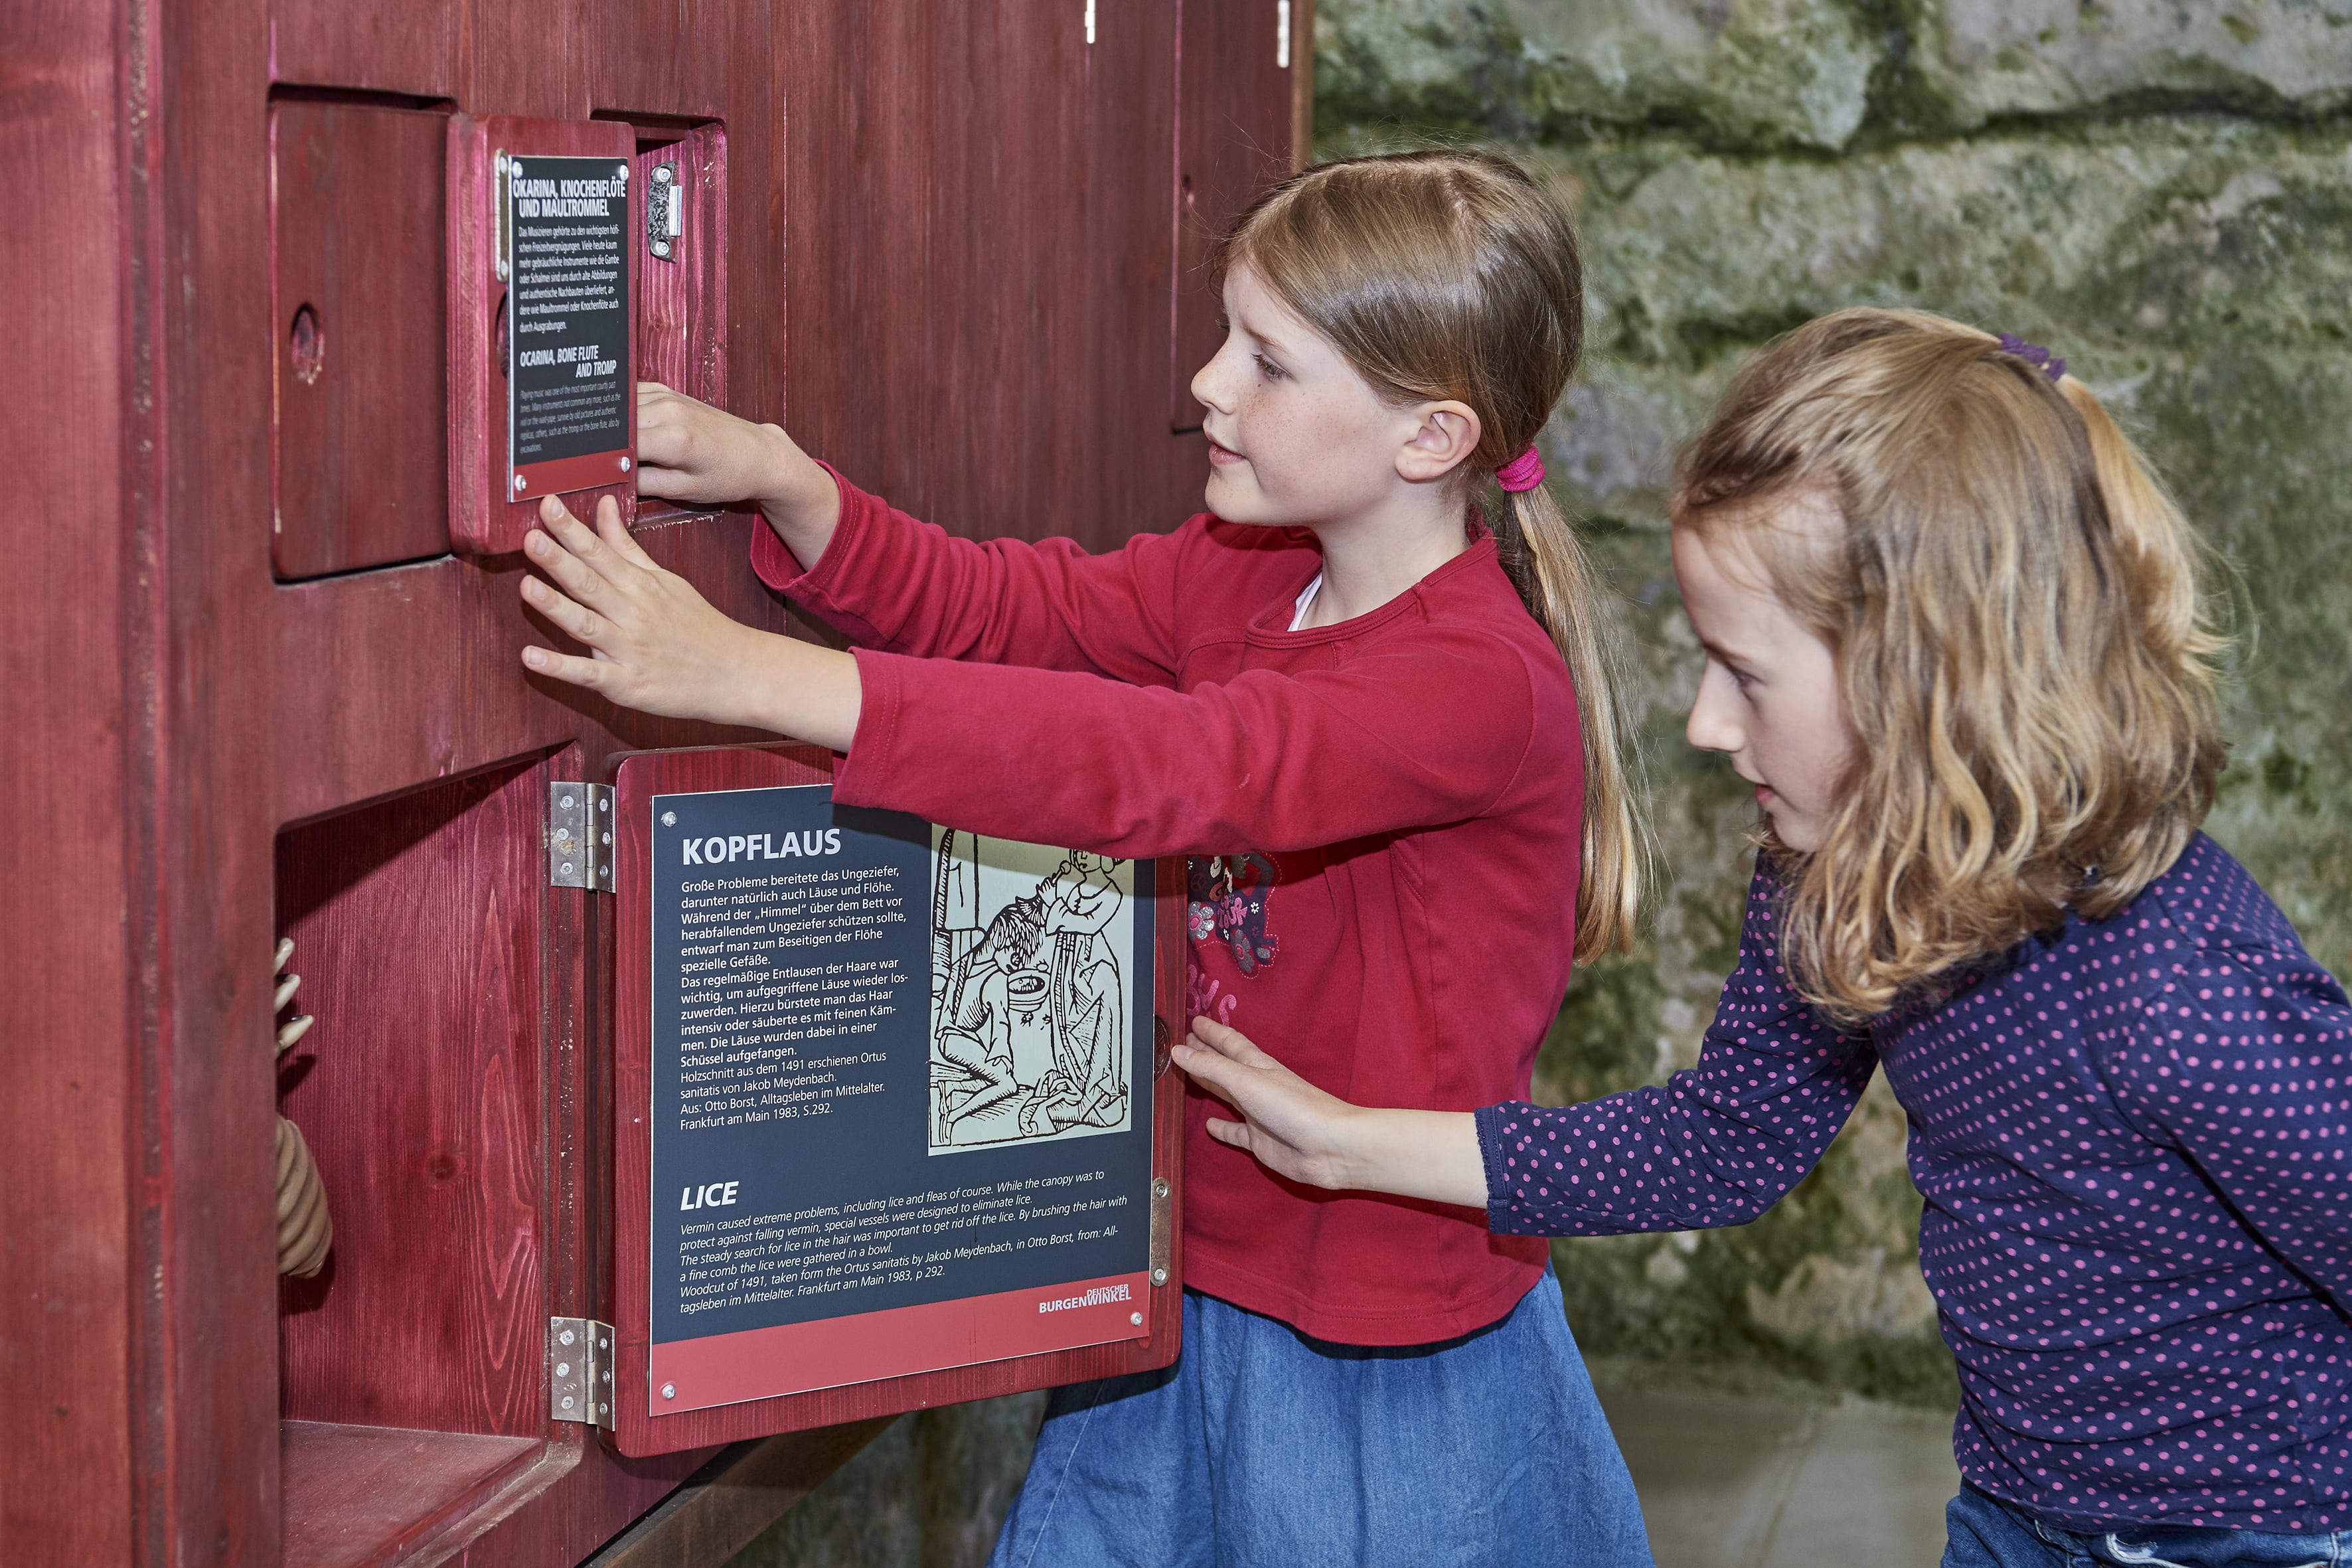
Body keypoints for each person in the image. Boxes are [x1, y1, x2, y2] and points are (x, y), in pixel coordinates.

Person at [512, 149, 1655, 1565]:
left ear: (1428, 436)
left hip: (1373, 1324)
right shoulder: (1246, 570)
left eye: (1267, 362)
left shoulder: (1474, 680)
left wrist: (749, 678)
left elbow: (1176, 769)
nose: (1207, 385)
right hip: (1180, 1270)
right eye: (1226, 336)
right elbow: (1008, 607)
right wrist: (789, 483)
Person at [1172, 308, 2352, 1568]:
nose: (1703, 723)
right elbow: (1725, 1141)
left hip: (2253, 1532)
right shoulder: (1835, 872)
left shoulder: (2180, 989)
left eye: (1744, 671)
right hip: (2014, 1512)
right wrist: (1357, 1144)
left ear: (1922, 680)